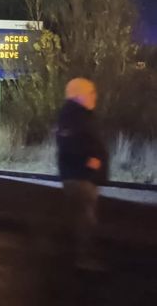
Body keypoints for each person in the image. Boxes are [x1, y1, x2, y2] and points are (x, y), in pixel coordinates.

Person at [56, 78, 109, 271]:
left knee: (81, 218)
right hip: (79, 177)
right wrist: (90, 162)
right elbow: (69, 143)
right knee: (85, 220)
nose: (95, 96)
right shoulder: (73, 116)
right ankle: (82, 258)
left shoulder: (79, 114)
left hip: (82, 176)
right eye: (91, 92)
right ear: (79, 95)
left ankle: (71, 256)